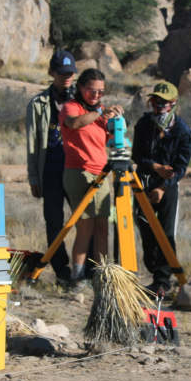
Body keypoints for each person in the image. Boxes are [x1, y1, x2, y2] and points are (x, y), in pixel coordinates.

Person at [59, 68, 124, 291]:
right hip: (78, 171)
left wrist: (116, 124)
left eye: (101, 92)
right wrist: (100, 112)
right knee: (85, 227)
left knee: (102, 228)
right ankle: (76, 278)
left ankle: (101, 276)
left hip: (102, 172)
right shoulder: (72, 107)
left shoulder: (101, 113)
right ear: (81, 88)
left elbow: (108, 140)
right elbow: (74, 124)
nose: (96, 95)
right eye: (91, 90)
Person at [131, 82, 191, 296]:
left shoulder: (183, 131)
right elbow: (136, 156)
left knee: (166, 234)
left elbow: (181, 167)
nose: (159, 106)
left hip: (168, 188)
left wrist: (163, 188)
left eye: (164, 102)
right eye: (155, 101)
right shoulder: (143, 124)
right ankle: (155, 272)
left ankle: (162, 282)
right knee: (146, 232)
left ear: (174, 103)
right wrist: (155, 166)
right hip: (142, 184)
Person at [26, 50, 78, 287]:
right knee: (54, 222)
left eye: (70, 73)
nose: (66, 77)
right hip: (50, 170)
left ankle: (84, 270)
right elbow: (32, 142)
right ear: (51, 73)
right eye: (61, 73)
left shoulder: (83, 98)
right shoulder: (37, 103)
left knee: (84, 220)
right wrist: (34, 177)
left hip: (77, 168)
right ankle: (62, 271)